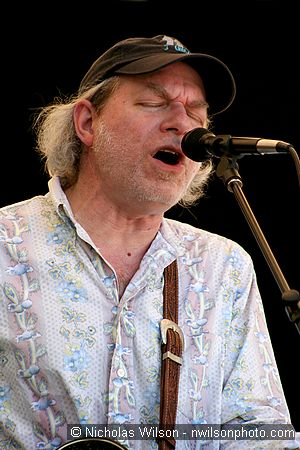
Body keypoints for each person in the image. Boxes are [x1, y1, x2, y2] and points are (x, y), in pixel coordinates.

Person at [0, 35, 298, 450]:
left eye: (196, 110)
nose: (183, 122)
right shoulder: (5, 243)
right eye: (154, 103)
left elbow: (258, 431)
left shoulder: (224, 266)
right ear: (87, 123)